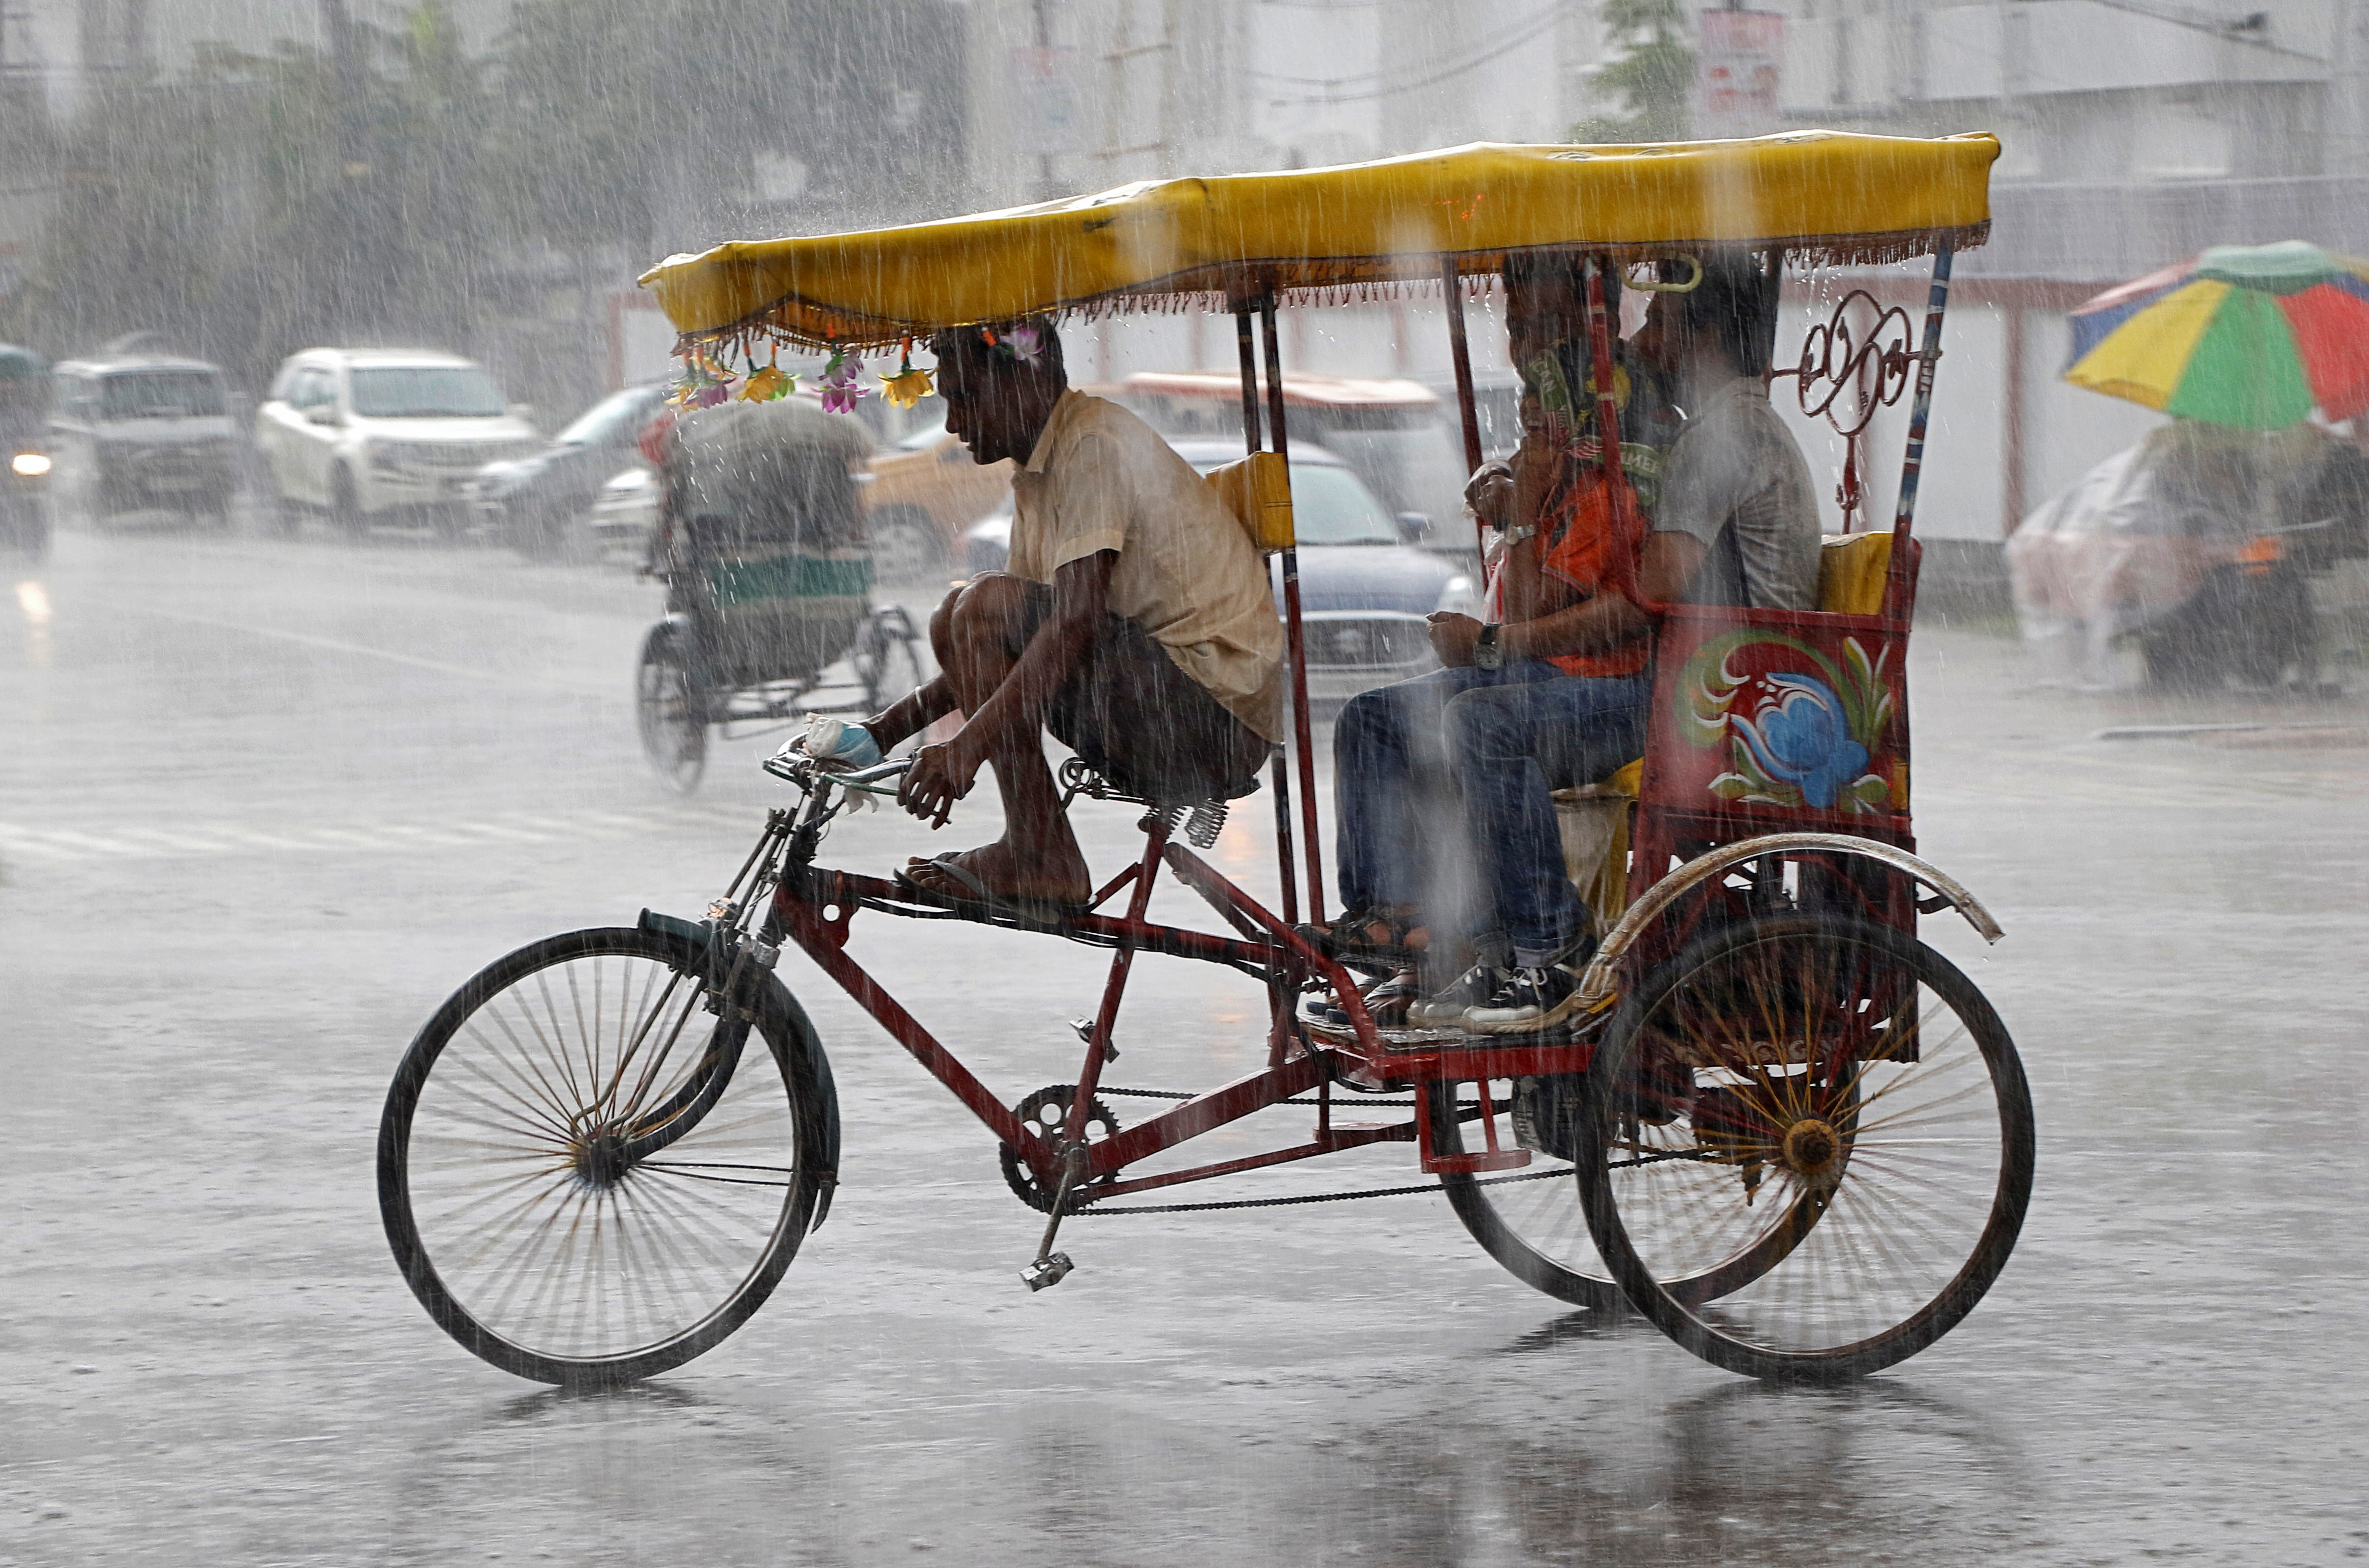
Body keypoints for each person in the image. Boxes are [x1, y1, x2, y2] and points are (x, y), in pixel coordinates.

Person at [1432, 248, 1823, 1034]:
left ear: (1704, 337)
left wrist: (1564, 517)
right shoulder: (1731, 430)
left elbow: (1655, 586)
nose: (1641, 345)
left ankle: (1551, 950)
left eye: (1662, 322)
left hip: (1721, 701)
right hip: (1721, 683)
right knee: (1448, 711)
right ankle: (1493, 938)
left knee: (1483, 722)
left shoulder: (1721, 441)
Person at [1316, 254, 1667, 1022]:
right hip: (1552, 669)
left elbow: (1606, 610)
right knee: (1372, 718)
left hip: (1617, 685)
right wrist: (1519, 504)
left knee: (1477, 721)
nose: (1526, 344)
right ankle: (1410, 923)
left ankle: (1550, 944)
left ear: (1586, 319)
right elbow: (1530, 594)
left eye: (1544, 324)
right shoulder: (1557, 439)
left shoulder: (1621, 434)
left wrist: (1494, 626)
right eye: (1517, 326)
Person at [851, 319, 1284, 915]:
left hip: (1213, 723)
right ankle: (1036, 847)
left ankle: (1040, 854)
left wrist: (967, 748)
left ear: (1031, 380)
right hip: (1170, 701)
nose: (953, 424)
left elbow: (1072, 623)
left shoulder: (1090, 444)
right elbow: (998, 650)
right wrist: (877, 734)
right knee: (956, 612)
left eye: (967, 398)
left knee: (978, 606)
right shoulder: (1038, 470)